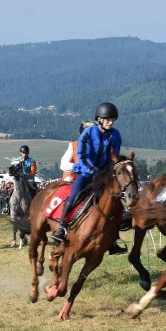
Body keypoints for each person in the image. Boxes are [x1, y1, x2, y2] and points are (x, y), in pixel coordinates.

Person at [52, 102, 126, 255]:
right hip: (86, 174)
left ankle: (114, 237)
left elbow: (114, 157)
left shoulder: (116, 135)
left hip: (104, 176)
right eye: (108, 120)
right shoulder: (88, 134)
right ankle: (62, 226)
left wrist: (111, 171)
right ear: (99, 119)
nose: (111, 122)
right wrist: (94, 172)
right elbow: (83, 157)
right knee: (74, 196)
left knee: (116, 203)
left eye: (113, 120)